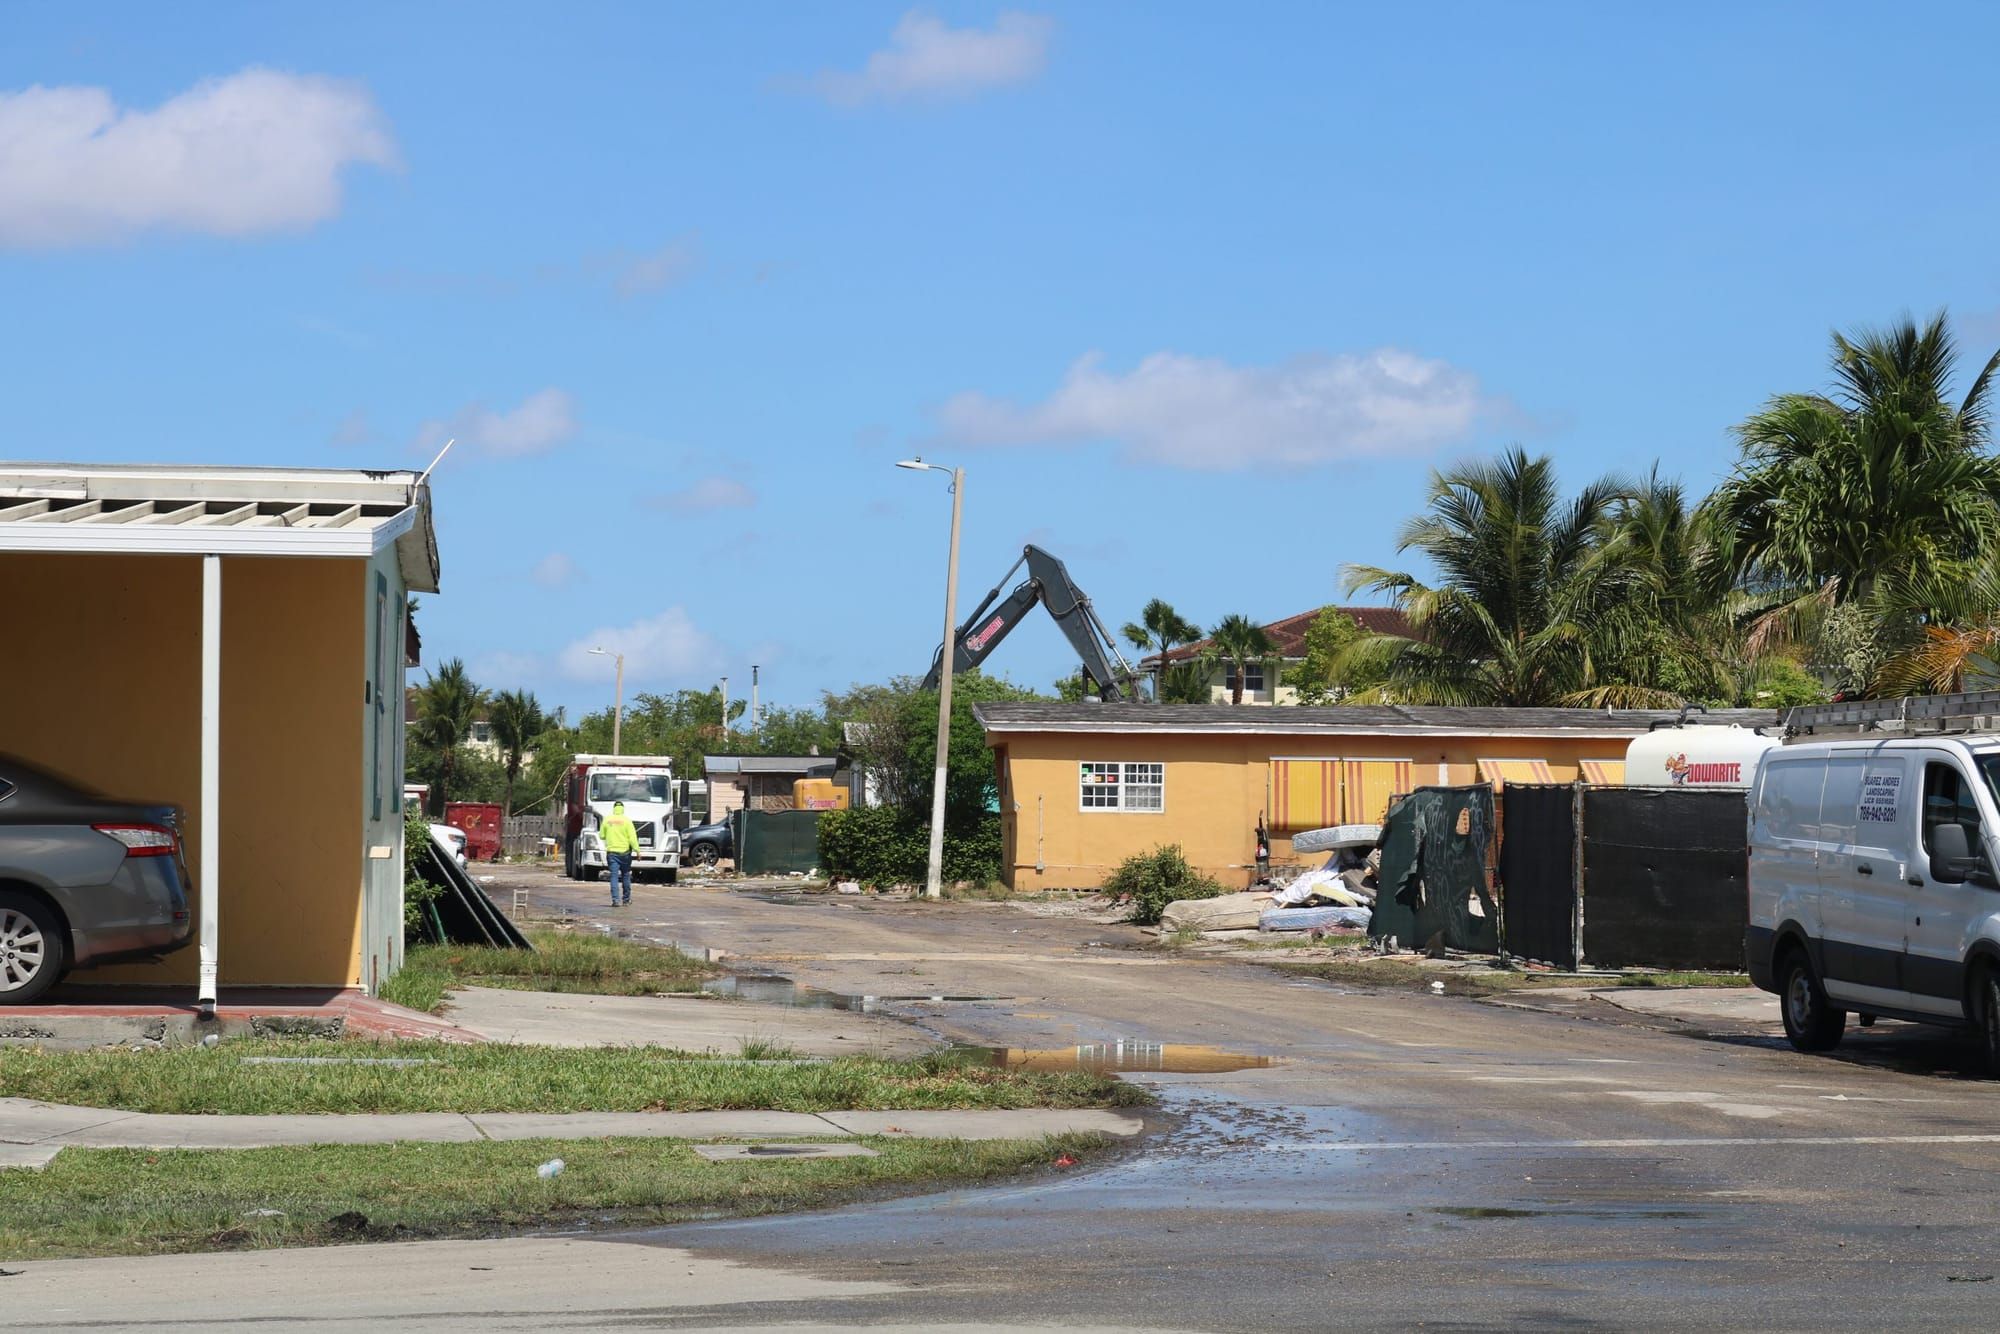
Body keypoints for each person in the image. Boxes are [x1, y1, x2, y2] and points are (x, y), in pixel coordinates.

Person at [601, 800, 639, 906]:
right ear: (622, 809)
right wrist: (637, 851)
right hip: (625, 853)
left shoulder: (607, 820)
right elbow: (632, 838)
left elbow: (601, 835)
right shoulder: (627, 821)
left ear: (614, 809)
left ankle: (615, 900)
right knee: (626, 875)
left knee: (613, 876)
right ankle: (626, 900)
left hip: (612, 853)